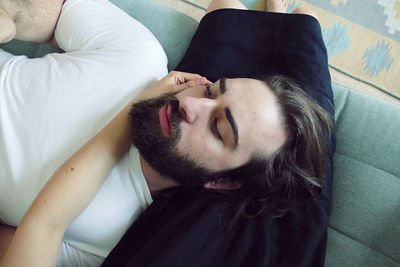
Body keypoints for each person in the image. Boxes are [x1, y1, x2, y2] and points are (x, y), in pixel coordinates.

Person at [0, 0, 334, 266]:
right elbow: (54, 12)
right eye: (212, 91)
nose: (191, 106)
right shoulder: (140, 58)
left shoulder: (107, 241)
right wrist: (10, 17)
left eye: (218, 128)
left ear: (223, 182)